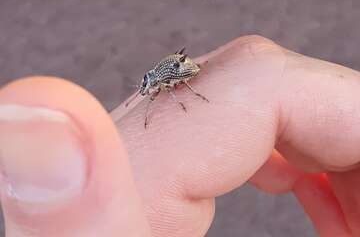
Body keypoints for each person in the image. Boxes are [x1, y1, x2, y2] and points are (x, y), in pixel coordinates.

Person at [0, 36, 357, 237]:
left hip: (183, 70)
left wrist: (195, 98)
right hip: (176, 69)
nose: (146, 90)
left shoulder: (163, 81)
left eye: (147, 87)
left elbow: (171, 82)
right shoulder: (153, 83)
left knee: (180, 87)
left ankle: (196, 96)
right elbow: (154, 89)